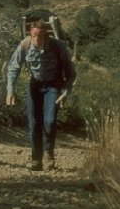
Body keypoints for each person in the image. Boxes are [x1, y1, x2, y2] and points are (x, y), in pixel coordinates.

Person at [6, 20, 76, 171]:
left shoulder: (58, 47)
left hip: (53, 85)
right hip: (35, 85)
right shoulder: (24, 45)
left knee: (49, 121)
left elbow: (71, 73)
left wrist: (66, 92)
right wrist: (10, 90)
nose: (37, 39)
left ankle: (48, 155)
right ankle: (35, 158)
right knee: (34, 123)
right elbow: (13, 67)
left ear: (47, 36)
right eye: (35, 35)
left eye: (41, 36)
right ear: (31, 34)